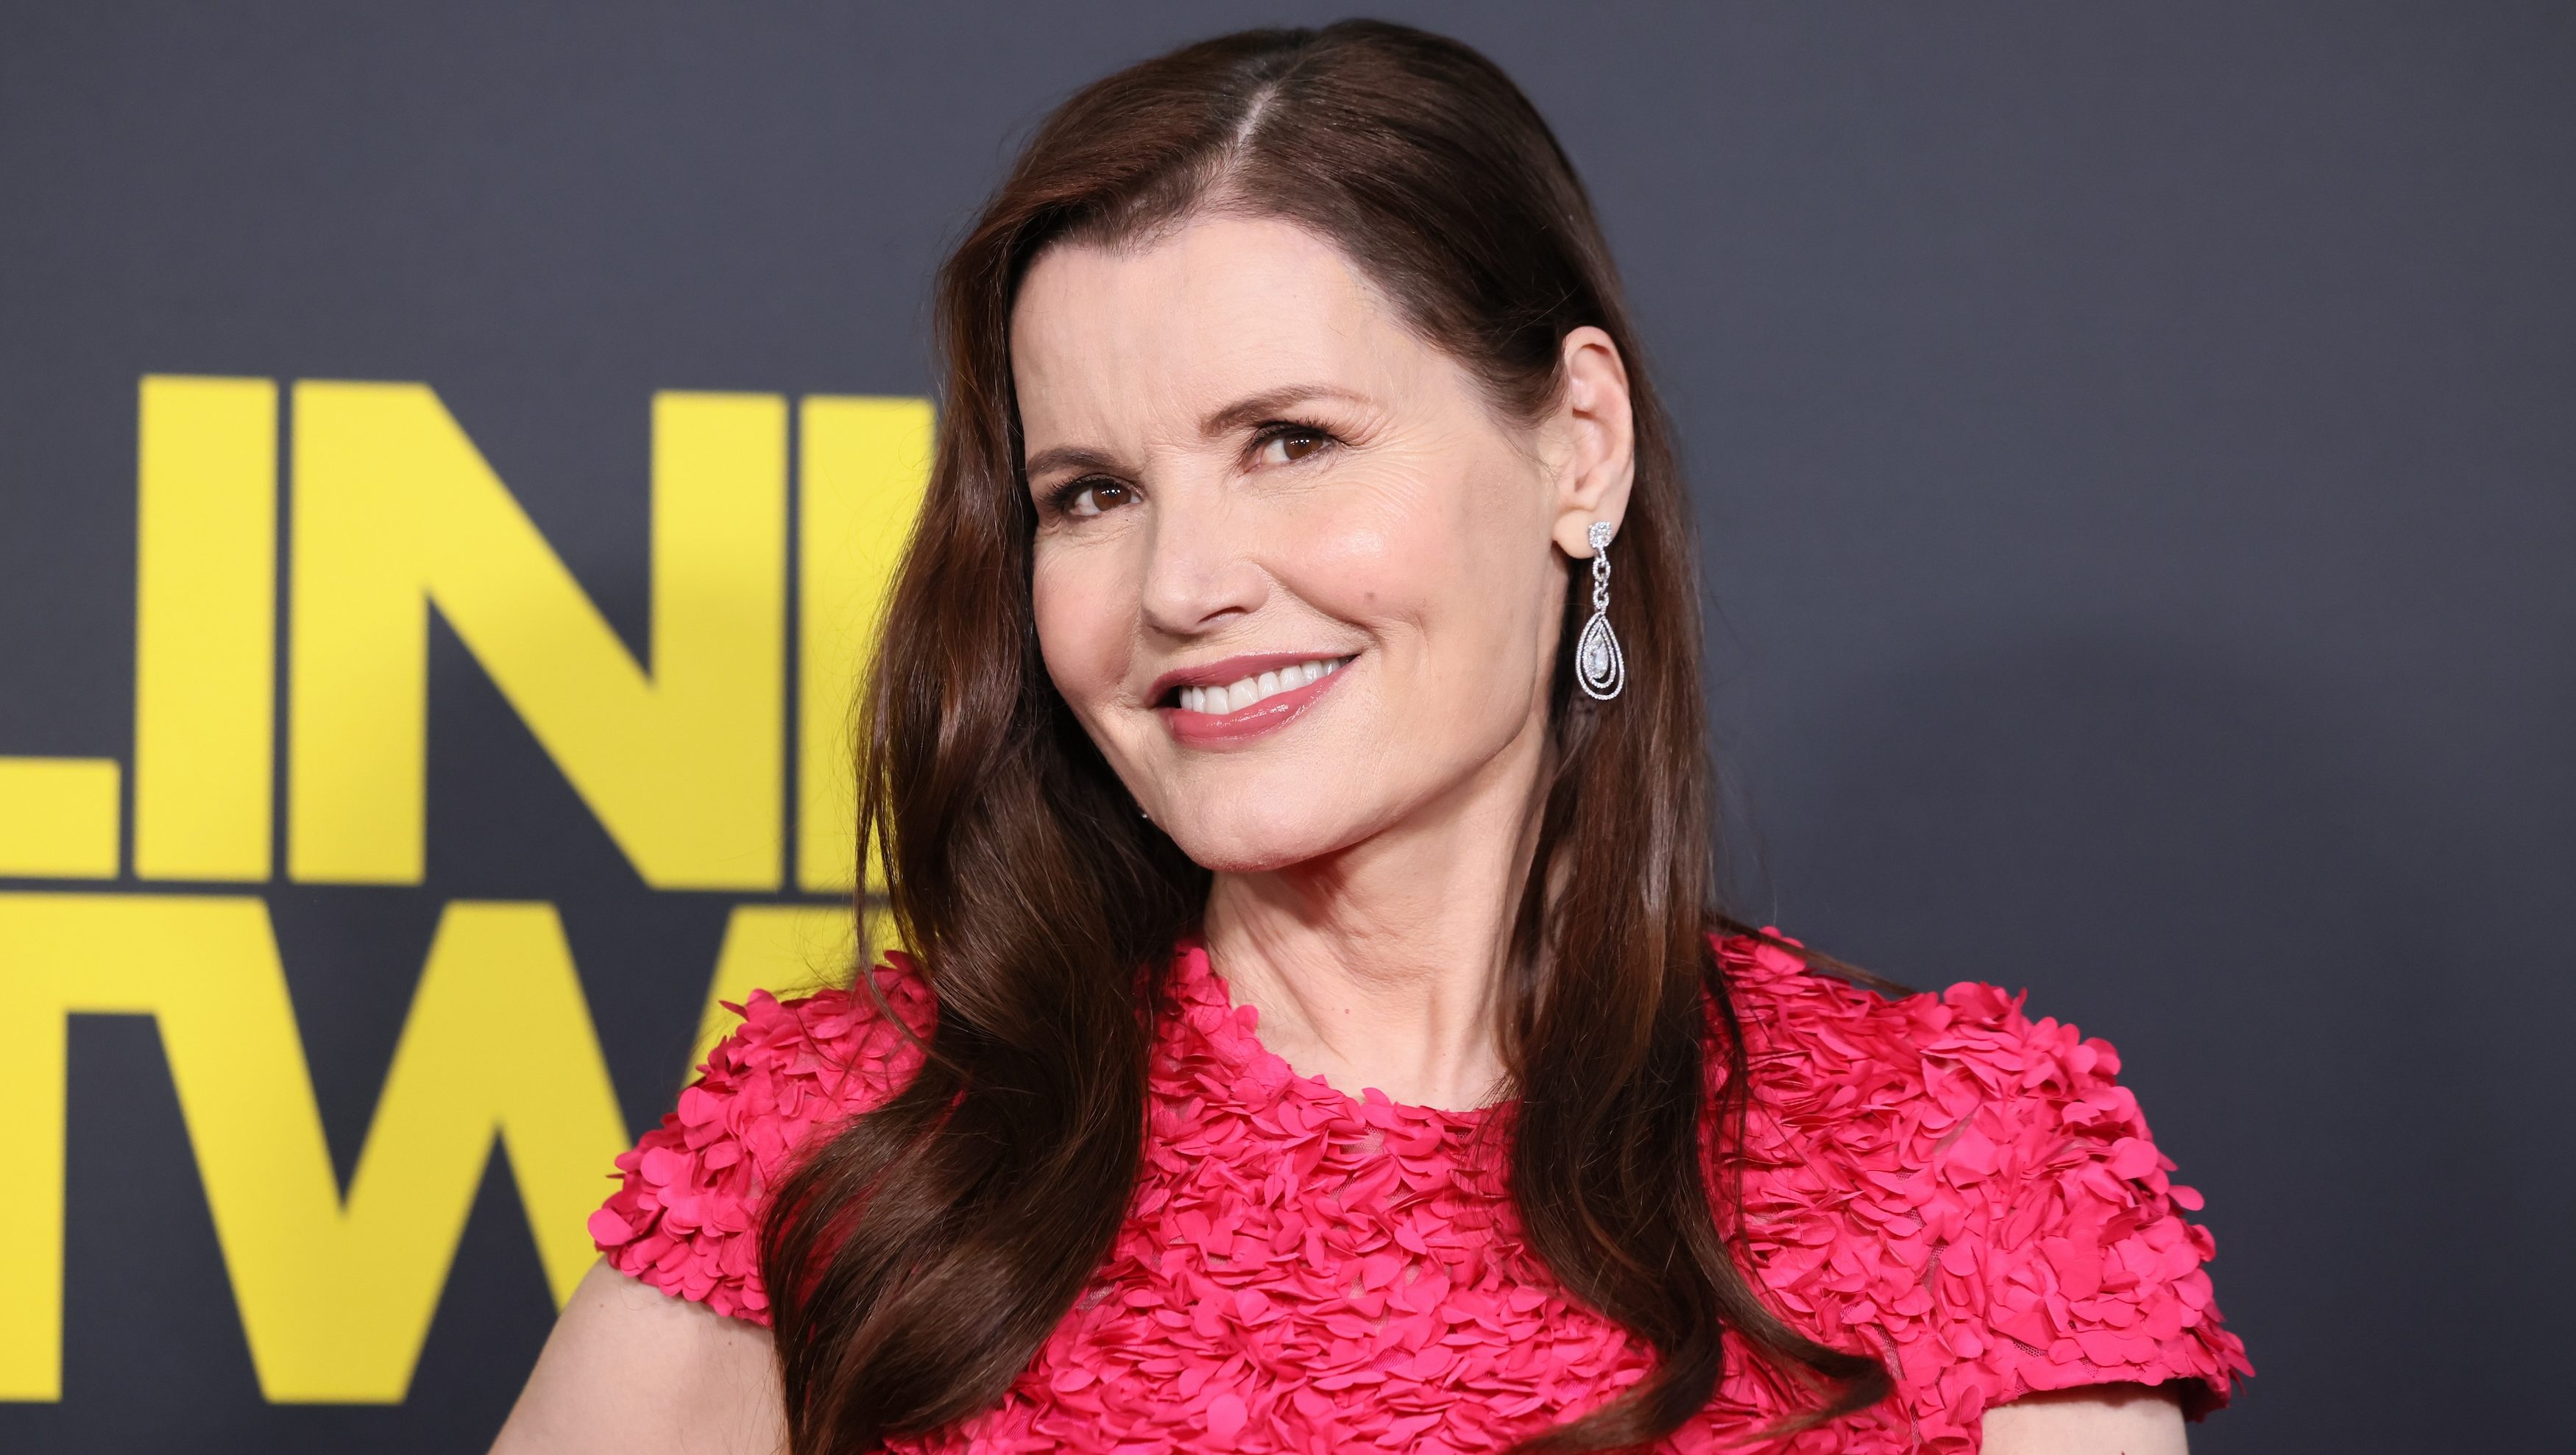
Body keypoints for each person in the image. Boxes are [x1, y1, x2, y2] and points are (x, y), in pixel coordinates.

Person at [492, 21, 2248, 1454]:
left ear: (1576, 446)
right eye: (1091, 493)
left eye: (1290, 440)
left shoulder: (1963, 1162)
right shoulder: (856, 1131)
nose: (1180, 581)